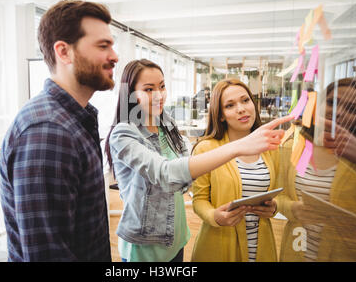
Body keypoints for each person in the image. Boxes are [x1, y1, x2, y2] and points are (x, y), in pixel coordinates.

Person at [105, 59, 292, 262]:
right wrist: (238, 147)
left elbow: (187, 182)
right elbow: (165, 174)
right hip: (144, 245)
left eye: (162, 86)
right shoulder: (123, 133)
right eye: (148, 89)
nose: (159, 95)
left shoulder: (168, 128)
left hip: (177, 238)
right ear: (130, 94)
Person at [0, 0, 118, 261]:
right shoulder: (48, 132)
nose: (114, 56)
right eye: (103, 46)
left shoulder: (72, 119)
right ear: (64, 52)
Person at [277, 78, 356, 262]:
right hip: (297, 249)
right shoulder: (298, 145)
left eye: (352, 109)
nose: (339, 112)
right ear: (320, 103)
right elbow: (279, 195)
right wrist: (292, 208)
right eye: (332, 102)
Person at [190, 79, 281, 262]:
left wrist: (275, 207)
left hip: (261, 244)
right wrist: (214, 216)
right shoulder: (206, 149)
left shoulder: (270, 147)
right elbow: (199, 200)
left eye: (245, 100)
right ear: (221, 115)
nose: (241, 109)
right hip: (220, 244)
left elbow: (278, 193)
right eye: (230, 105)